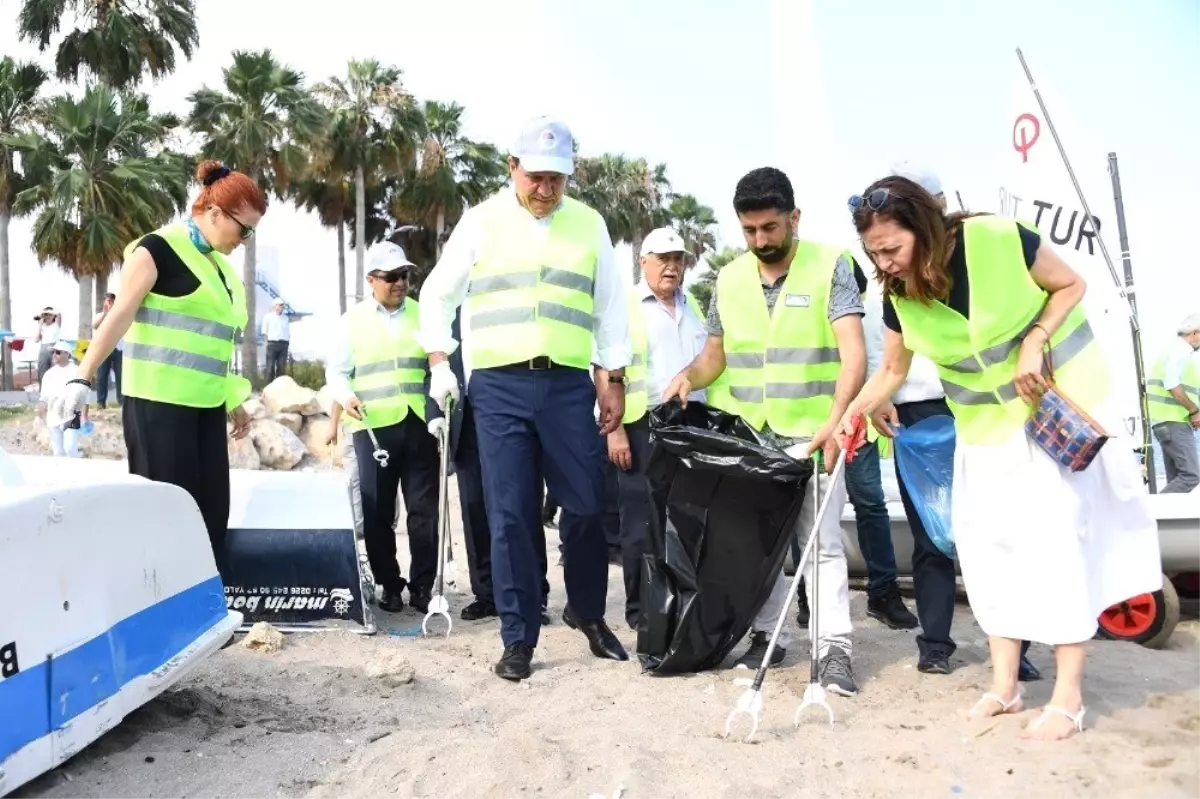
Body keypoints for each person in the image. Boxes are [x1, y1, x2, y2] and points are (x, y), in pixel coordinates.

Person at [834, 175, 1162, 740]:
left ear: (926, 228)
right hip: (985, 432)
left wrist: (1035, 339)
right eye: (874, 252)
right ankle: (1006, 687)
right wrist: (854, 412)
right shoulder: (897, 294)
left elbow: (1070, 285)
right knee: (988, 553)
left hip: (1056, 415)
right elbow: (891, 369)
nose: (884, 263)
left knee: (1059, 545)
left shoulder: (1001, 238)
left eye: (892, 248)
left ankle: (1067, 696)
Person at [420, 115, 631, 681]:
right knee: (510, 513)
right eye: (535, 176)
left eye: (556, 178)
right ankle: (518, 636)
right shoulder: (481, 222)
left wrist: (612, 379)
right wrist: (441, 361)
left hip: (566, 385)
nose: (545, 188)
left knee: (585, 506)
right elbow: (436, 295)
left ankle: (586, 611)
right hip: (498, 386)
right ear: (512, 168)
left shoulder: (589, 225)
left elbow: (609, 307)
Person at [663, 166, 866, 696]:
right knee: (756, 544)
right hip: (751, 440)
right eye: (750, 231)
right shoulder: (728, 279)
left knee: (819, 545)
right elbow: (715, 357)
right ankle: (767, 636)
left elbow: (853, 356)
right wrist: (688, 377)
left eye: (771, 229)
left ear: (794, 218)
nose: (760, 241)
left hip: (814, 435)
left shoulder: (832, 266)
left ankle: (834, 650)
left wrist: (836, 420)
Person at [56, 160, 264, 575]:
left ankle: (204, 611)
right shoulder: (156, 249)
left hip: (204, 407)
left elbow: (211, 344)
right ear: (215, 213)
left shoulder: (220, 268)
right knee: (165, 515)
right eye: (245, 228)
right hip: (157, 406)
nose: (246, 239)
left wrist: (232, 401)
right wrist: (83, 374)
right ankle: (160, 611)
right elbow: (119, 315)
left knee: (210, 515)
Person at [600, 226, 707, 629]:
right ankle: (640, 609)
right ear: (643, 261)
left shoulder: (694, 305)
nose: (672, 266)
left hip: (688, 424)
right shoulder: (624, 305)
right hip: (641, 424)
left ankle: (678, 605)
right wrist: (615, 430)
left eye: (678, 258)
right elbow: (603, 368)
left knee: (683, 519)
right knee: (640, 523)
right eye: (663, 259)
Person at [325, 242, 440, 614]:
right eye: (391, 277)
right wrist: (345, 397)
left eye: (404, 275)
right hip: (373, 428)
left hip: (419, 424)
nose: (400, 283)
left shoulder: (425, 316)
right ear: (371, 280)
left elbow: (434, 367)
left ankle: (423, 587)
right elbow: (337, 373)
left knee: (423, 511)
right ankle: (389, 585)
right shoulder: (352, 320)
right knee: (377, 514)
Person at [444, 308, 552, 623]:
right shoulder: (449, 312)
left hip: (513, 414)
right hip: (468, 420)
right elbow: (433, 366)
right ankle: (487, 593)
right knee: (475, 506)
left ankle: (533, 594)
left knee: (522, 504)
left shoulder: (508, 298)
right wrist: (435, 414)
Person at [1146, 315, 1200, 493]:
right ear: (1194, 333)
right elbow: (1171, 384)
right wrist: (1194, 410)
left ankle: (1161, 518)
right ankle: (1153, 515)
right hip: (1173, 421)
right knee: (1191, 476)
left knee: (1177, 476)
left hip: (1163, 421)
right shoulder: (1181, 350)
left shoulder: (1171, 349)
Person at [37, 340, 88, 457]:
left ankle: (77, 470)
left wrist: (84, 415)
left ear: (67, 354)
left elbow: (83, 394)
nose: (54, 355)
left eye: (58, 352)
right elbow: (44, 397)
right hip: (53, 416)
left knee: (70, 449)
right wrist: (40, 410)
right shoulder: (49, 374)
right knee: (58, 452)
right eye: (54, 352)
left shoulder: (76, 371)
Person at [92, 293, 124, 408]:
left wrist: (113, 313)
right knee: (101, 377)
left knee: (121, 377)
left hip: (118, 349)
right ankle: (101, 403)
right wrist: (105, 314)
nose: (110, 303)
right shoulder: (99, 315)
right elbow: (95, 326)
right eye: (108, 301)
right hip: (103, 350)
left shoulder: (120, 315)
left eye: (112, 301)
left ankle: (122, 402)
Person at [262, 298, 291, 383]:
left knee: (281, 367)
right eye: (280, 305)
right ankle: (268, 388)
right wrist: (266, 342)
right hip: (272, 343)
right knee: (270, 368)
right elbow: (264, 331)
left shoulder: (286, 318)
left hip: (284, 344)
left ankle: (279, 389)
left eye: (282, 305)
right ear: (275, 306)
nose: (281, 307)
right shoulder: (268, 317)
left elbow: (287, 331)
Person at [32, 306, 61, 384]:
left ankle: (55, 392)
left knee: (55, 371)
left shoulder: (56, 323)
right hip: (44, 349)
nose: (48, 316)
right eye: (46, 315)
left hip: (55, 349)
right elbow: (36, 340)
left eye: (50, 314)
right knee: (42, 372)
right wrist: (40, 325)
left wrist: (47, 313)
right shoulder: (42, 326)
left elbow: (58, 313)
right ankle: (42, 392)